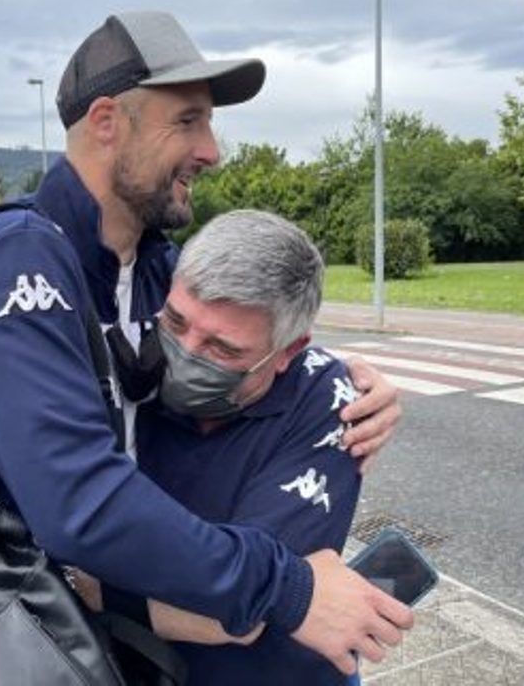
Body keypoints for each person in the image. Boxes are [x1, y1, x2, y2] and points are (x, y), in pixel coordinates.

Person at [0, 11, 409, 676]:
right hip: (1, 637)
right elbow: (79, 502)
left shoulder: (156, 267)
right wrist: (291, 589)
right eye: (188, 120)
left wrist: (339, 378)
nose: (212, 149)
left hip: (100, 644)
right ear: (108, 122)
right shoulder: (22, 255)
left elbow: (236, 333)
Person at [71, 210, 374, 684]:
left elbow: (237, 615)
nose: (187, 353)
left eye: (223, 350)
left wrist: (89, 590)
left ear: (289, 352)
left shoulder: (330, 401)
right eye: (176, 320)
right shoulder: (131, 370)